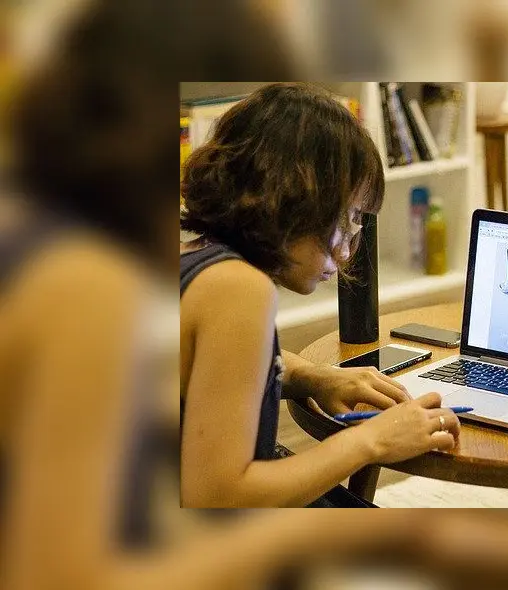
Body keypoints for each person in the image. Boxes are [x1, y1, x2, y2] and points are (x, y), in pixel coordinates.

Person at [180, 83, 460, 508]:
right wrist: (373, 441)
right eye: (346, 219)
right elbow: (217, 492)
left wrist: (314, 376)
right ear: (294, 199)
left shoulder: (194, 254)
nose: (348, 249)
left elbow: (220, 367)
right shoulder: (238, 289)